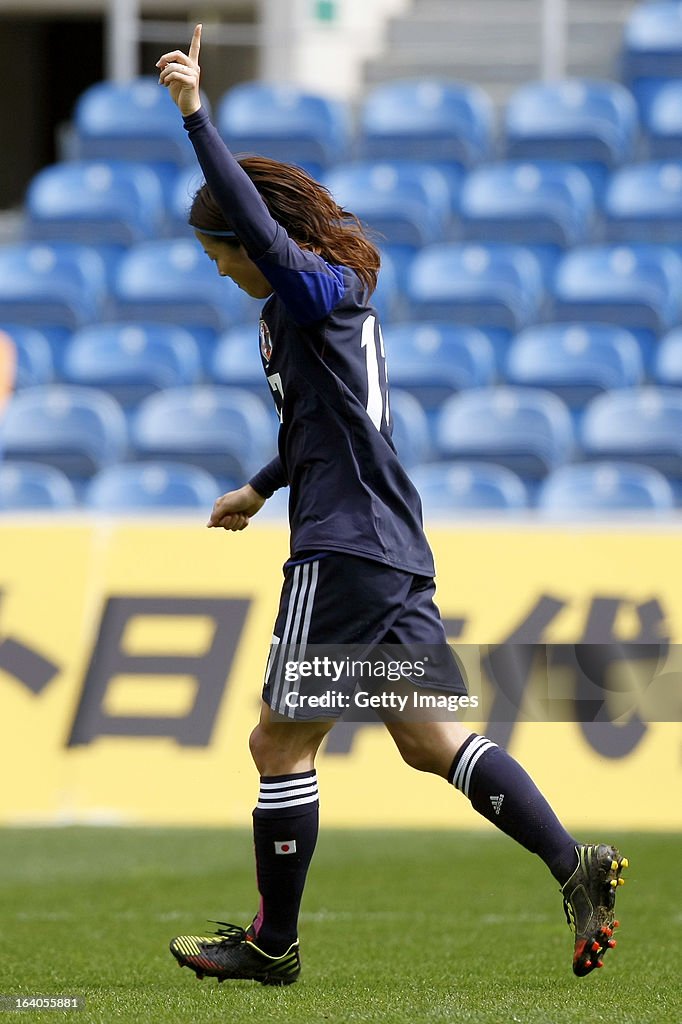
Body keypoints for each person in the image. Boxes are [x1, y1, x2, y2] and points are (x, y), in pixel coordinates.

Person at [157, 25, 627, 987]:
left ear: (250, 239)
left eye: (220, 251)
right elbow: (328, 431)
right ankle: (573, 864)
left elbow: (253, 224)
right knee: (428, 738)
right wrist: (260, 485)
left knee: (278, 740)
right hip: (390, 548)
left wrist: (197, 117)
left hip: (340, 553)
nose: (219, 266)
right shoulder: (306, 311)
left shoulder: (314, 289)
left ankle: (272, 945)